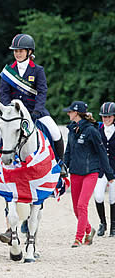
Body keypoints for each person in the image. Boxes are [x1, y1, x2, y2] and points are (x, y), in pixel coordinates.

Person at [0, 34, 67, 177]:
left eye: (21, 51)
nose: (17, 54)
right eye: (15, 51)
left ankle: (60, 163)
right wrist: (8, 109)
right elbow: (4, 92)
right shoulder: (8, 71)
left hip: (34, 110)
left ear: (29, 52)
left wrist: (37, 110)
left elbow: (42, 91)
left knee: (55, 132)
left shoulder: (38, 70)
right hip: (14, 113)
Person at [63, 101, 115, 247]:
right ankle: (89, 229)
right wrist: (63, 168)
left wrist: (109, 174)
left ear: (77, 113)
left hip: (90, 172)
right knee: (75, 209)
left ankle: (79, 238)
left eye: (70, 111)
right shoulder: (72, 129)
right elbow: (68, 151)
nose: (68, 113)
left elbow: (102, 153)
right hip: (75, 172)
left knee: (81, 205)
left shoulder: (92, 131)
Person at [94, 102, 115, 237]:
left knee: (113, 199)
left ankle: (113, 226)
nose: (106, 119)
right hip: (101, 168)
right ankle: (103, 223)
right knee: (98, 195)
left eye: (109, 117)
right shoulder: (97, 129)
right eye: (104, 117)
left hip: (114, 169)